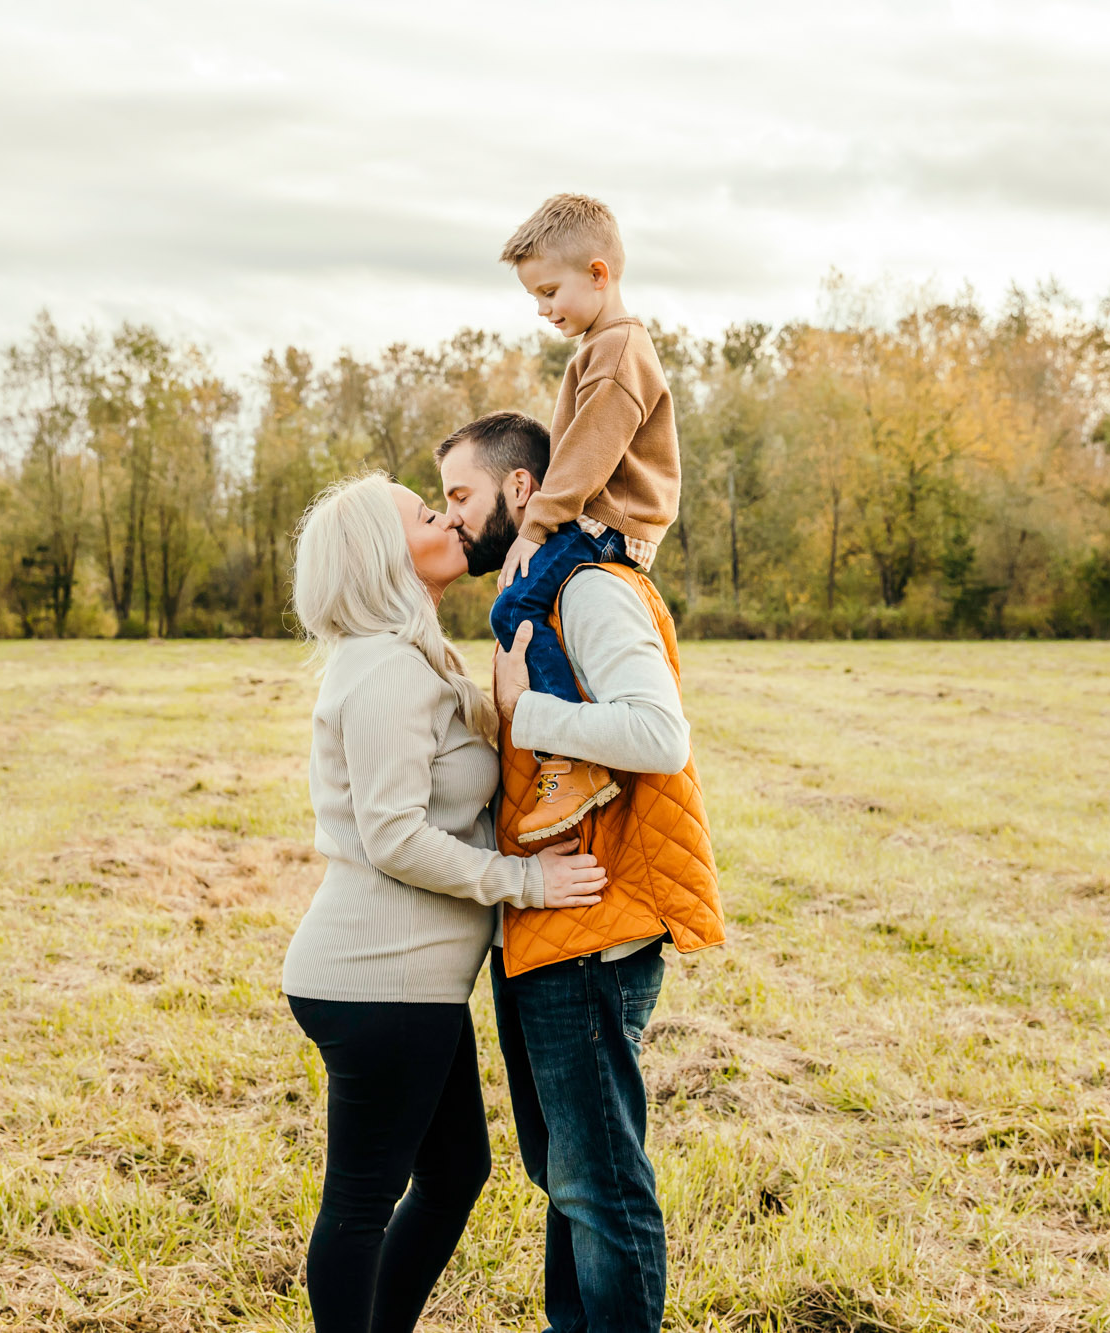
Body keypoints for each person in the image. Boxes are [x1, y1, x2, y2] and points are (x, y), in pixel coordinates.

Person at [281, 473, 607, 1333]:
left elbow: (457, 795)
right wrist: (526, 882)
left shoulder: (414, 652)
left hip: (409, 984)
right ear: (386, 555)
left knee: (457, 1170)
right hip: (375, 983)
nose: (448, 518)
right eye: (426, 515)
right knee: (358, 1203)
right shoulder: (386, 668)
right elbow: (393, 835)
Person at [438, 413, 726, 1333]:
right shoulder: (531, 596)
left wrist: (526, 714)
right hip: (547, 926)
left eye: (460, 496)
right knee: (564, 1177)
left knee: (600, 1186)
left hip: (594, 931)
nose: (452, 521)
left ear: (521, 491)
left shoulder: (592, 590)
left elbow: (659, 732)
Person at [490, 193, 681, 845]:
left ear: (598, 273)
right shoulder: (602, 348)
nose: (544, 310)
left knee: (511, 609)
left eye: (550, 291)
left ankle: (571, 759)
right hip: (597, 521)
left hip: (603, 524)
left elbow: (590, 450)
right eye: (535, 298)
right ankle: (571, 750)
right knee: (522, 609)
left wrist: (534, 526)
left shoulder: (618, 351)